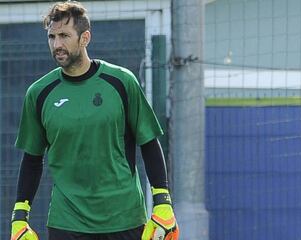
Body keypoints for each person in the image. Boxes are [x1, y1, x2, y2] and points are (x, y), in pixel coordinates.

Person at [10, 1, 179, 240]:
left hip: (125, 218)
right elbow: (32, 159)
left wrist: (163, 202)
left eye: (65, 36)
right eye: (52, 36)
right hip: (67, 222)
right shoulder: (39, 93)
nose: (57, 44)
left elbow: (149, 142)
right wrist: (19, 217)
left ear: (85, 38)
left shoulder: (122, 82)